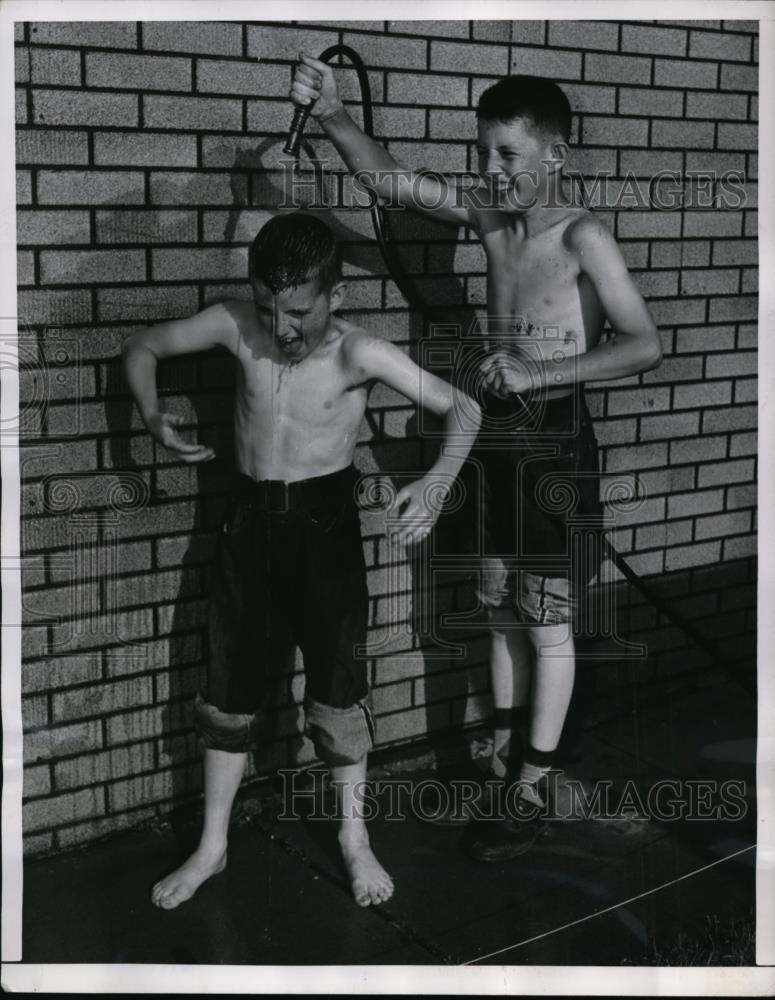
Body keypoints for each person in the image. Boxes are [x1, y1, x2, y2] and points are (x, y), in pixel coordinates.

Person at [290, 62, 662, 859]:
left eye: (504, 154)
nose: (489, 170)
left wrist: (540, 370)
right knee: (499, 608)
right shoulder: (493, 215)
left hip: (552, 439)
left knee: (547, 620)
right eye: (483, 153)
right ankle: (503, 760)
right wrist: (330, 113)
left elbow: (643, 343)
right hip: (490, 435)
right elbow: (387, 180)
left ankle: (531, 786)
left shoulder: (582, 237)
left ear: (554, 155)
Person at [122, 212, 481, 907]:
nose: (282, 328)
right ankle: (213, 846)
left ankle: (353, 839)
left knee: (337, 687)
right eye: (267, 308)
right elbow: (142, 347)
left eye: (298, 311)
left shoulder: (356, 353)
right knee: (226, 690)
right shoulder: (235, 324)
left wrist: (435, 484)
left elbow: (461, 407)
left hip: (325, 532)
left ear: (334, 297)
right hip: (247, 526)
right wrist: (150, 413)